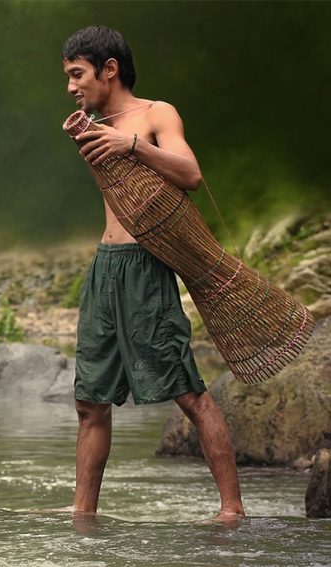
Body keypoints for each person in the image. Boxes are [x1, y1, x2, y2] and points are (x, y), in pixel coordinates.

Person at [61, 26, 245, 522]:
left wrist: (132, 144)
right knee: (89, 401)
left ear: (110, 68)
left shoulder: (156, 113)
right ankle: (83, 512)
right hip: (105, 267)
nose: (72, 87)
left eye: (78, 74)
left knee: (187, 392)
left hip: (147, 265)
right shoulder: (91, 123)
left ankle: (232, 510)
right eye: (69, 78)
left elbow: (190, 175)